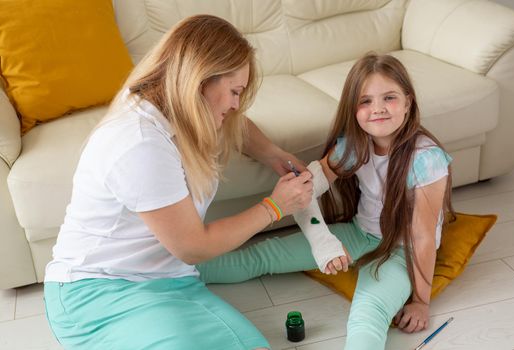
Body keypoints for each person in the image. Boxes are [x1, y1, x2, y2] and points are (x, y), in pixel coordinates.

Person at [43, 14, 315, 350]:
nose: (235, 103)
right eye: (234, 91)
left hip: (171, 280)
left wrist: (271, 154)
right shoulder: (141, 142)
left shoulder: (179, 109)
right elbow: (192, 247)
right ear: (200, 79)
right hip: (99, 290)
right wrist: (275, 206)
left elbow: (238, 125)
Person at [197, 53, 455, 350]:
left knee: (367, 312)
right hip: (362, 233)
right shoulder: (355, 147)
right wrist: (323, 243)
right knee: (261, 256)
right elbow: (303, 192)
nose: (379, 109)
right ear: (353, 109)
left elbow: (422, 237)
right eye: (366, 101)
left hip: (402, 250)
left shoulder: (427, 159)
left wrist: (421, 301)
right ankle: (172, 273)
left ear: (408, 102)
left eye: (390, 98)